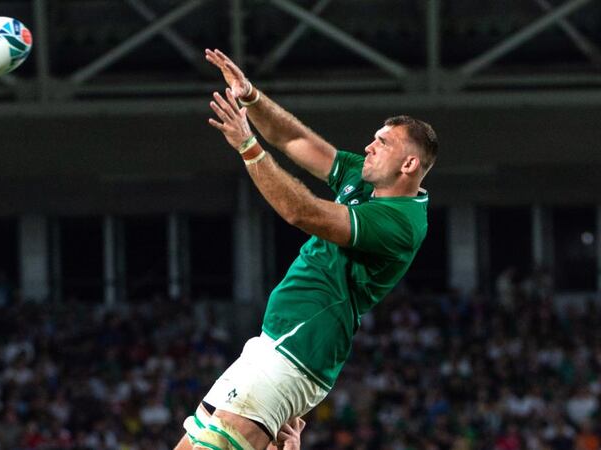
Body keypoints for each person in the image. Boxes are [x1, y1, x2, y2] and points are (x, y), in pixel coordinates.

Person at [175, 49, 438, 450]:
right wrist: (251, 97)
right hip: (274, 341)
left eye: (381, 143)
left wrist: (248, 146)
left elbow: (302, 212)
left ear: (408, 165)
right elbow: (294, 139)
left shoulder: (401, 222)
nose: (368, 147)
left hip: (301, 348)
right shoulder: (365, 180)